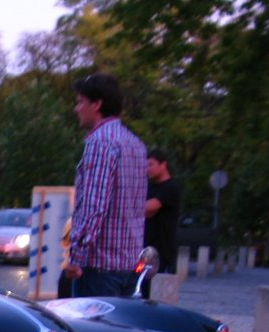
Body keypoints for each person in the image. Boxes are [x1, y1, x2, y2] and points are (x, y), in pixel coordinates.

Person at [63, 73, 147, 297]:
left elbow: (93, 208)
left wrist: (75, 259)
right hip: (129, 264)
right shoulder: (136, 144)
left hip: (98, 268)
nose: (76, 108)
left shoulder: (100, 143)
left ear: (97, 104)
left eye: (80, 101)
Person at [144, 148, 181, 274]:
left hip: (164, 251)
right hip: (147, 249)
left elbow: (150, 208)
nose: (148, 169)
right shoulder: (149, 187)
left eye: (151, 164)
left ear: (163, 164)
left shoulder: (171, 187)